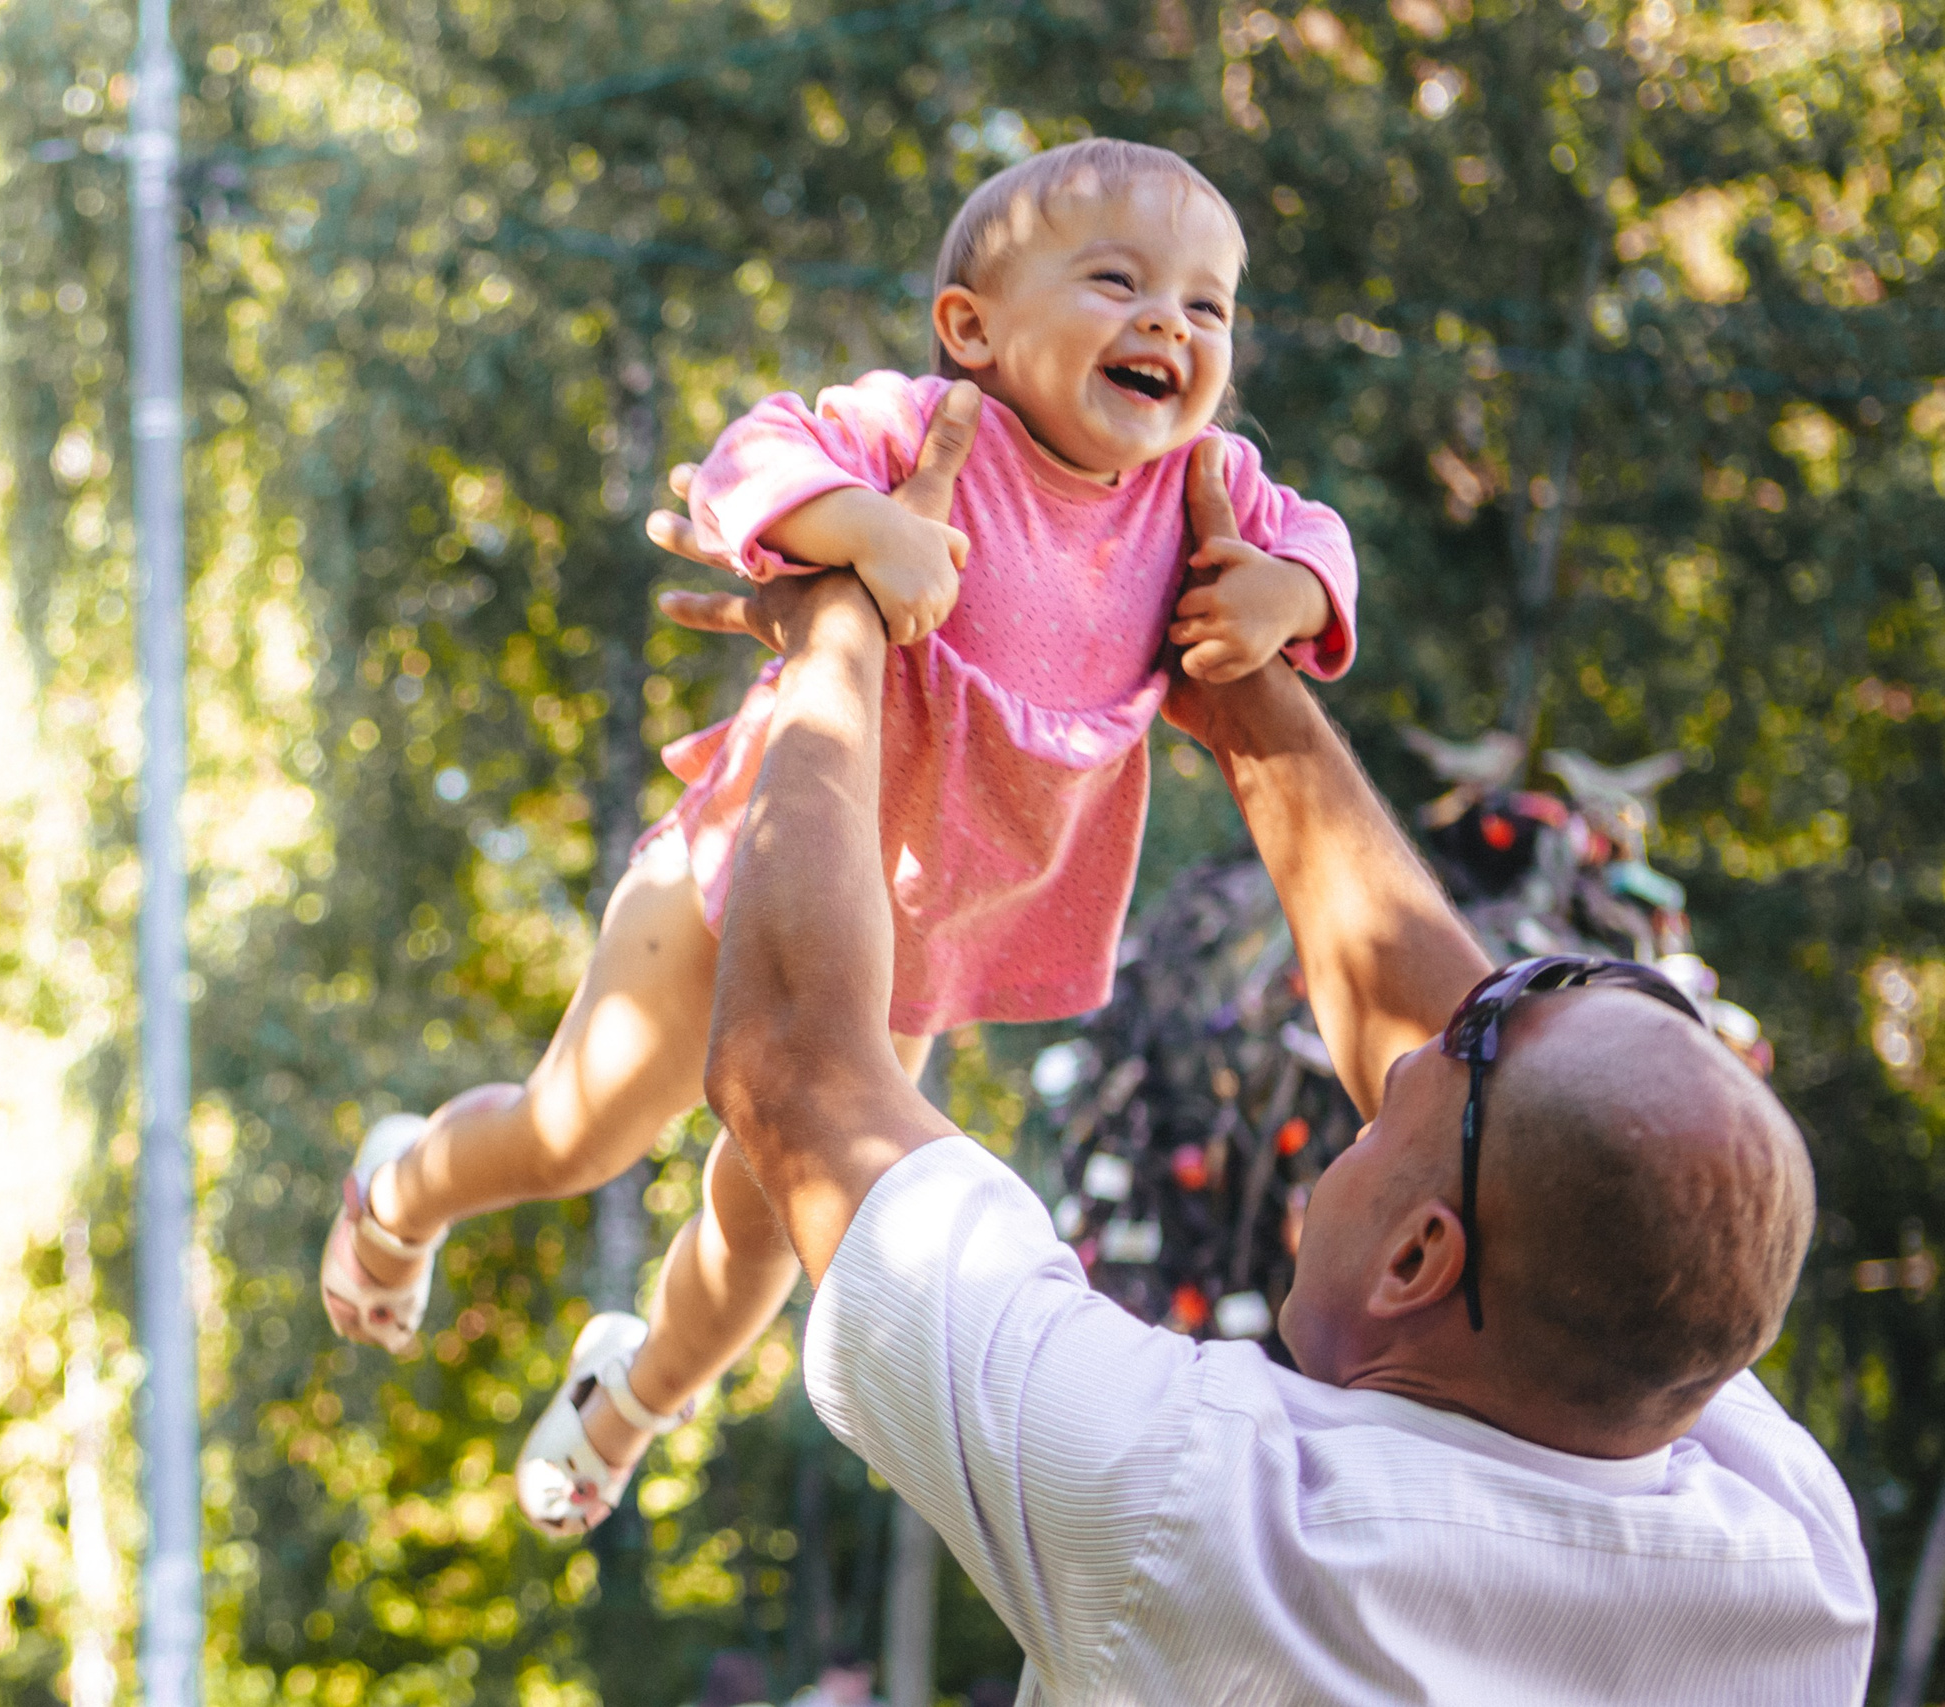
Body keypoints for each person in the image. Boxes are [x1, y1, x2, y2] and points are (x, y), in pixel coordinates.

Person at [649, 411, 1876, 1700]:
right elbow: (1537, 1148)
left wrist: (833, 633)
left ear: (1419, 1258)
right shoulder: (1785, 1556)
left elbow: (797, 1064)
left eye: (1392, 1099)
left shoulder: (1195, 1517)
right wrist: (1234, 689)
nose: (1372, 1075)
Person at [321, 137, 1358, 1538]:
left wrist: (1284, 600)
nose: (1171, 323)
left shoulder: (1201, 497)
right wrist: (864, 525)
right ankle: (396, 1192)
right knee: (575, 1133)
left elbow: (1320, 548)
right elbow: (750, 455)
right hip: (737, 878)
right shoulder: (933, 430)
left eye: (1209, 305)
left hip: (904, 946)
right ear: (972, 328)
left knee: (771, 1233)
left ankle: (628, 1401)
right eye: (1117, 281)